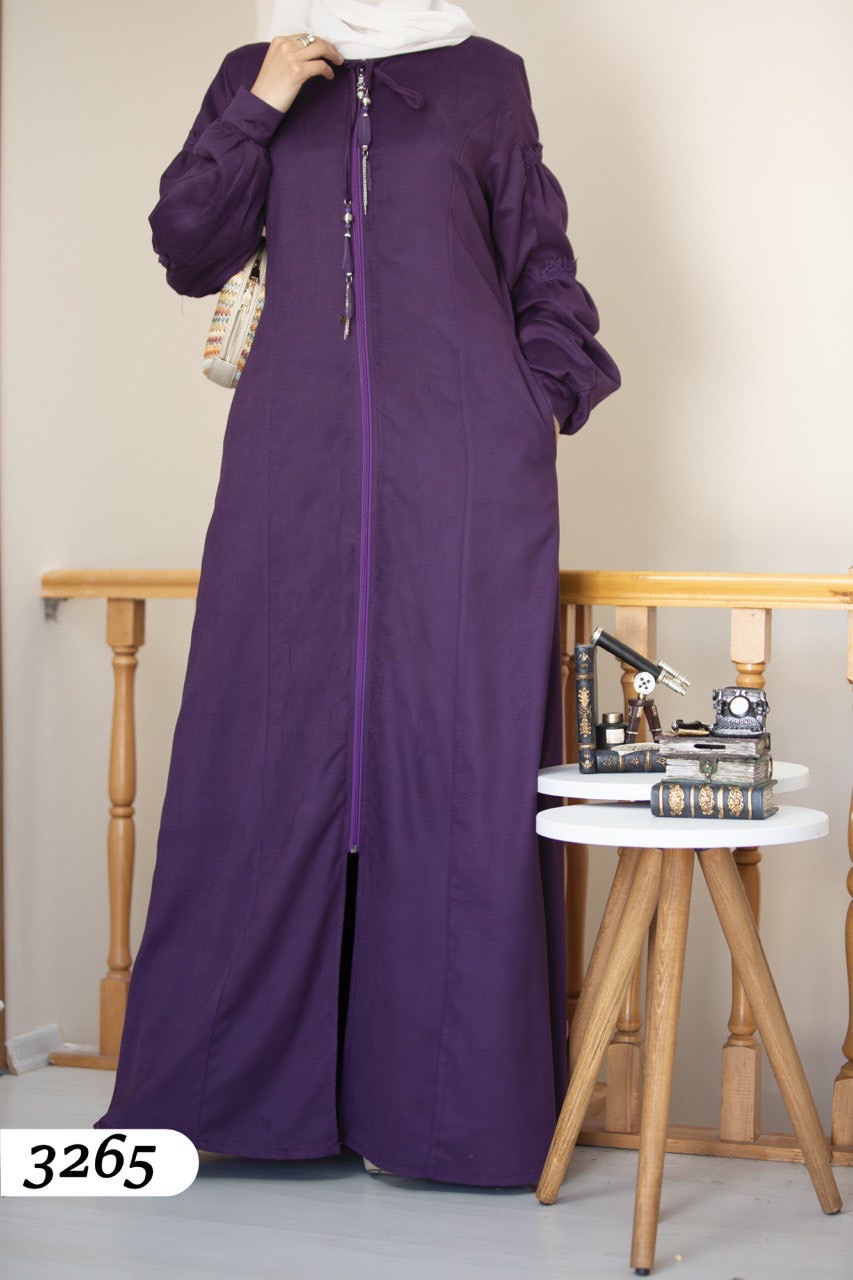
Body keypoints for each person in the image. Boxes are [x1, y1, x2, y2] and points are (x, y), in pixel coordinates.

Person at [93, 0, 621, 1188]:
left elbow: (538, 257)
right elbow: (188, 248)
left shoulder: (485, 74)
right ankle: (235, 1097)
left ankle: (444, 1115)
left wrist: (530, 401)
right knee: (263, 749)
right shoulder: (257, 67)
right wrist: (263, 102)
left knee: (453, 760)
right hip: (293, 467)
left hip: (467, 467)